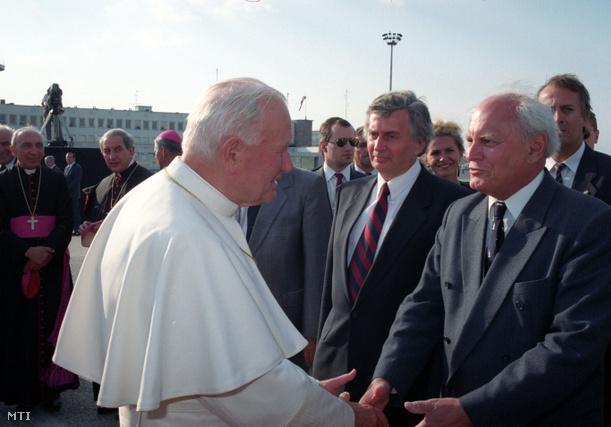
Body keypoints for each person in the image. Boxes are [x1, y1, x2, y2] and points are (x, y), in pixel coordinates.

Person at [53, 78, 387, 426]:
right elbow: (245, 387)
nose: (288, 165)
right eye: (281, 149)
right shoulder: (189, 237)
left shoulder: (160, 197)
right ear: (233, 153)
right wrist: (341, 415)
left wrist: (308, 392)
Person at [360, 92, 611, 426]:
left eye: (488, 141)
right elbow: (424, 305)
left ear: (535, 147)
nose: (470, 154)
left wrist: (473, 410)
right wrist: (387, 377)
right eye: (470, 140)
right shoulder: (459, 214)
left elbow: (572, 347)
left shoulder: (592, 224)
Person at [313, 90, 471, 425]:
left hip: (403, 380)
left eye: (391, 136)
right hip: (334, 371)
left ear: (419, 143)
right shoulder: (350, 193)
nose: (377, 146)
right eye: (372, 134)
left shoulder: (455, 204)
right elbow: (332, 284)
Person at [538, 73, 611, 426]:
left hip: (598, 350)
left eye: (568, 109)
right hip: (525, 346)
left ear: (585, 119)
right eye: (549, 109)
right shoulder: (520, 174)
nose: (557, 118)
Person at [0, 127, 78, 412]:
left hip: (51, 266)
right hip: (13, 267)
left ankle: (50, 389)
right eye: (26, 146)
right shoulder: (3, 182)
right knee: (18, 330)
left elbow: (65, 221)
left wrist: (45, 253)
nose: (34, 151)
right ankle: (20, 390)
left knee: (49, 328)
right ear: (13, 150)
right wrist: (26, 253)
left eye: (38, 146)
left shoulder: (57, 180)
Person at [238, 166, 332, 371]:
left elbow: (317, 264)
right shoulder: (231, 178)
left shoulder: (307, 185)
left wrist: (312, 331)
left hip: (288, 327)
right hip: (237, 322)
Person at [80, 128, 153, 235]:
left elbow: (152, 223)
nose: (112, 157)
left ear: (131, 151)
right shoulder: (103, 183)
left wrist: (112, 226)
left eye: (118, 150)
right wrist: (88, 226)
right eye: (107, 151)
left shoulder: (150, 181)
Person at [314, 117, 365, 212]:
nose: (349, 148)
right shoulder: (308, 183)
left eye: (352, 142)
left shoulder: (366, 184)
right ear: (323, 146)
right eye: (341, 142)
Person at [422, 119, 470, 188]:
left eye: (449, 151)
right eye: (435, 153)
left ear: (461, 153)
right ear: (426, 159)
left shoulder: (479, 195)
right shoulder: (416, 196)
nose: (443, 159)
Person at [64, 152, 82, 235]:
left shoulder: (77, 167)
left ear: (74, 159)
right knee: (69, 212)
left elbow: (75, 181)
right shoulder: (66, 168)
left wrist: (67, 189)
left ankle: (77, 229)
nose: (68, 159)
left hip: (73, 194)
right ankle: (71, 228)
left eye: (70, 157)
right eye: (67, 157)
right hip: (68, 195)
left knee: (75, 212)